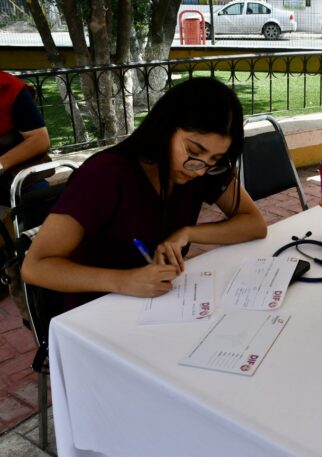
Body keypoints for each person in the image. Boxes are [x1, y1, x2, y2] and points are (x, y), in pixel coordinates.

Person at [22, 77, 267, 312]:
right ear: (166, 128)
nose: (200, 169)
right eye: (193, 150)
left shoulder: (203, 169)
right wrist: (123, 281)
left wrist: (187, 233)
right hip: (97, 308)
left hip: (162, 302)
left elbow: (253, 223)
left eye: (215, 159)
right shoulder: (106, 175)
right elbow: (35, 267)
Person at [0, 70, 51, 205]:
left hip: (13, 172)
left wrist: (1, 164)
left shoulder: (9, 87)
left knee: (42, 199)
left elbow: (40, 139)